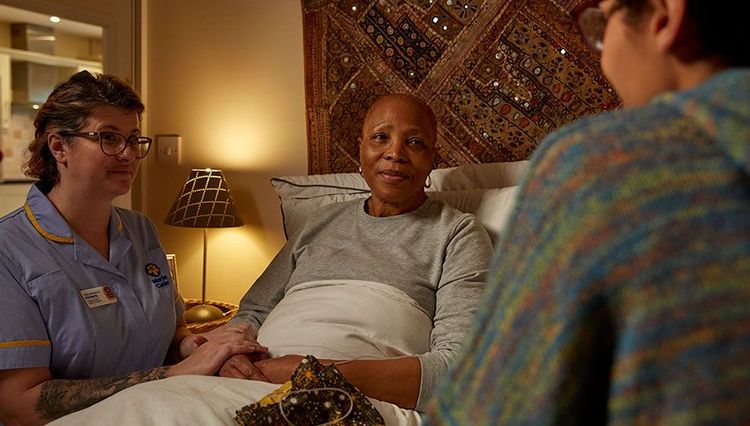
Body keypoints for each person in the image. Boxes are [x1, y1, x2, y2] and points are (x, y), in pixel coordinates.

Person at [427, 0, 750, 424]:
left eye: (602, 23)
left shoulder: (599, 168)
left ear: (665, 16)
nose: (603, 59)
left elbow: (488, 414)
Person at [0, 71, 260, 425]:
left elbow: (171, 334)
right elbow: (19, 406)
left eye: (134, 139)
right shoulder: (10, 251)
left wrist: (193, 347)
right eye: (108, 137)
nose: (127, 154)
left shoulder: (141, 230)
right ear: (59, 146)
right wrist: (172, 374)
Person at [219, 93, 494, 412]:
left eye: (415, 142)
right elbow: (251, 313)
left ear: (433, 157)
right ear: (360, 147)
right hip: (248, 383)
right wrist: (233, 357)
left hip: (355, 403)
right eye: (381, 137)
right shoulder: (320, 220)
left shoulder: (458, 233)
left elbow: (458, 370)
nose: (395, 153)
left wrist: (311, 374)